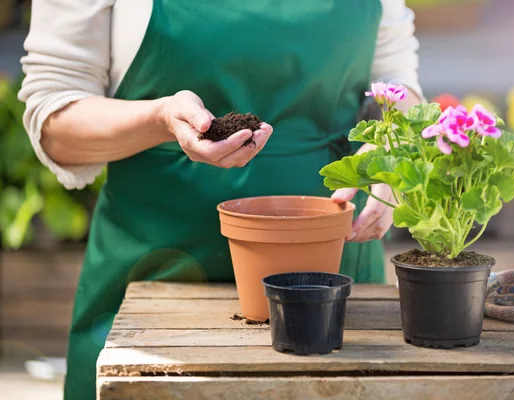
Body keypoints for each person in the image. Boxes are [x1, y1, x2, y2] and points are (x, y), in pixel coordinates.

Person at [18, 0, 423, 398]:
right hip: (157, 288)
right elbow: (55, 121)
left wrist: (392, 145)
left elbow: (397, 85)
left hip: (331, 287)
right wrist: (160, 119)